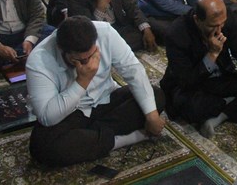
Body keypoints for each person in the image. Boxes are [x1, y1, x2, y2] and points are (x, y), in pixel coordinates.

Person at [27, 16, 165, 167]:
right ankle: (122, 139)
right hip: (72, 112)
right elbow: (47, 116)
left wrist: (151, 116)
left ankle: (88, 138)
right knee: (41, 147)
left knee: (156, 97)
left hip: (106, 98)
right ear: (62, 49)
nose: (89, 62)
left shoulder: (105, 33)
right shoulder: (39, 60)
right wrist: (82, 81)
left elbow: (133, 71)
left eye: (92, 54)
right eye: (81, 60)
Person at [161, 0, 237, 138]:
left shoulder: (224, 19)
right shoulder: (176, 34)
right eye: (212, 26)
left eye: (222, 24)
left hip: (221, 78)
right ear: (197, 19)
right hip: (191, 85)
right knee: (191, 108)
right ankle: (232, 103)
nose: (219, 30)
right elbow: (186, 81)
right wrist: (212, 54)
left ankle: (219, 116)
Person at [67, 0, 157, 53]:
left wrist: (146, 28)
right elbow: (87, 30)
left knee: (146, 33)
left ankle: (113, 49)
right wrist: (101, 5)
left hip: (119, 26)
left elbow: (130, 5)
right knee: (95, 47)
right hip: (98, 33)